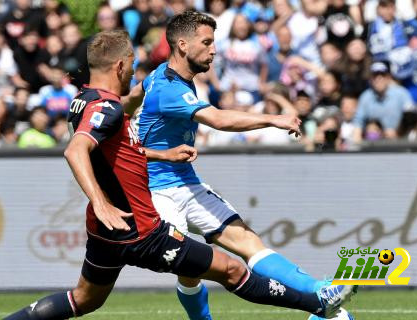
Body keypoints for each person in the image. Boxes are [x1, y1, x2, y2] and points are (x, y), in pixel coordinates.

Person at [2, 30, 353, 320]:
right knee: (229, 270)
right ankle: (318, 304)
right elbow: (77, 149)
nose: (133, 75)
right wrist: (101, 201)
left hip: (108, 229)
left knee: (84, 299)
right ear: (121, 65)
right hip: (141, 226)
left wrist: (159, 153)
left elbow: (114, 148)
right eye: (207, 42)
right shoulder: (111, 105)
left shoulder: (85, 100)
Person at [136, 10, 356, 320]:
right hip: (157, 192)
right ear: (183, 45)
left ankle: (319, 290)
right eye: (207, 42)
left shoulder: (161, 76)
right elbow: (218, 119)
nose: (214, 50)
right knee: (190, 270)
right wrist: (272, 119)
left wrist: (124, 116)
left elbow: (134, 96)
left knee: (246, 240)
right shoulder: (167, 87)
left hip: (187, 182)